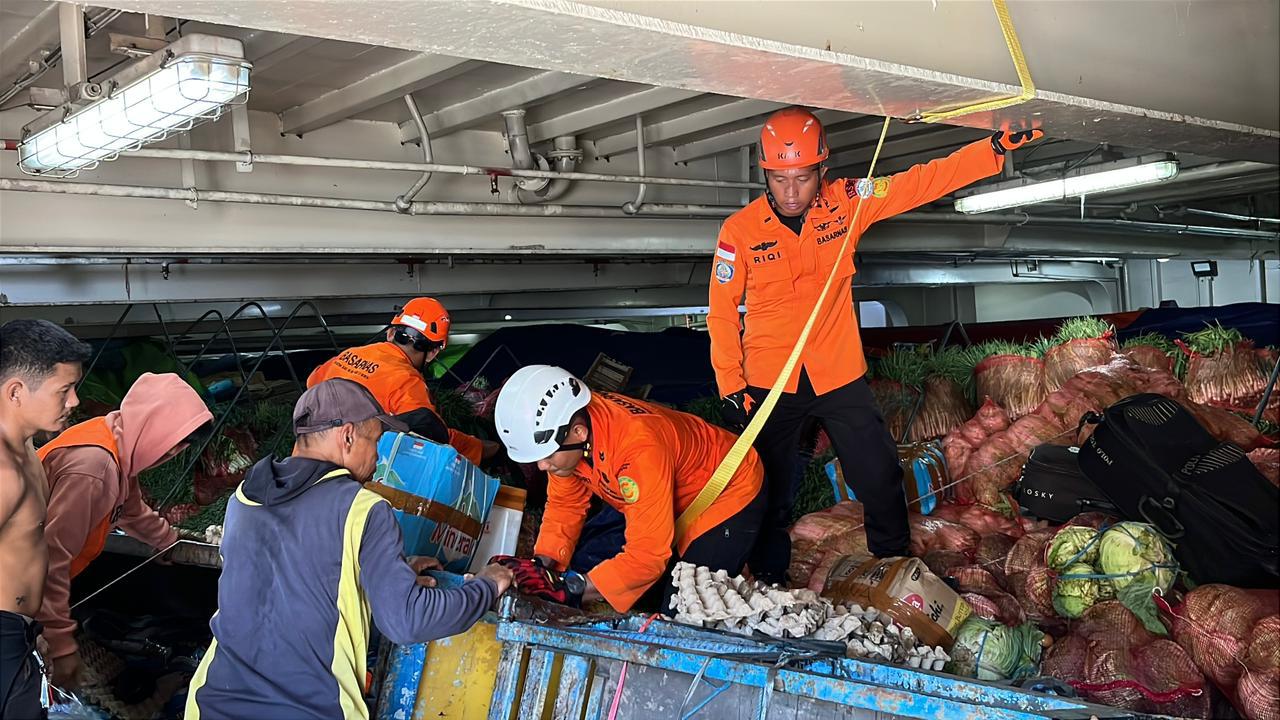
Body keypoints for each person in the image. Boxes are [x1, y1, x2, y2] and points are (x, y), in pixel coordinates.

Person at [707, 107, 1042, 583]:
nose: (791, 191)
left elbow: (920, 182)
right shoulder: (739, 232)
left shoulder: (846, 202)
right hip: (770, 381)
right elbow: (721, 314)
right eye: (779, 179)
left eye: (801, 178)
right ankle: (768, 580)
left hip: (838, 372)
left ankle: (894, 565)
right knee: (769, 488)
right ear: (765, 173)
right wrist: (729, 385)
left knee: (879, 475)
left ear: (822, 170)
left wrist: (991, 151)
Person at [186, 378, 512, 719]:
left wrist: (385, 570)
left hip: (211, 703)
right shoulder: (363, 508)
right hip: (310, 710)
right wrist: (487, 585)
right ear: (348, 437)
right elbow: (407, 620)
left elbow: (289, 575)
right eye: (376, 443)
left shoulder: (244, 498)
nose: (378, 459)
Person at [493, 365, 765, 613]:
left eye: (547, 456)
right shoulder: (567, 437)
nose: (542, 466)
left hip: (726, 486)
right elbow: (565, 505)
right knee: (643, 593)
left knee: (685, 605)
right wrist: (541, 566)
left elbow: (647, 555)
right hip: (670, 488)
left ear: (579, 432)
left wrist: (572, 588)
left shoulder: (637, 448)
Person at [37, 372, 214, 689]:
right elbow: (50, 559)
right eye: (169, 446)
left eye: (177, 451)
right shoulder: (95, 469)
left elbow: (131, 510)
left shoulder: (117, 445)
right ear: (150, 426)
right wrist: (57, 638)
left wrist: (168, 541)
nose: (167, 457)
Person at [0, 319, 91, 719]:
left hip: (17, 633)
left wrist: (31, 628)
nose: (74, 401)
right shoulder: (3, 472)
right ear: (16, 392)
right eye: (64, 390)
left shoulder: (28, 449)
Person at [307, 297, 499, 466]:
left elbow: (311, 383)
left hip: (310, 456)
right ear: (432, 353)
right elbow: (433, 436)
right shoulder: (408, 381)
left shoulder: (348, 355)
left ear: (390, 333)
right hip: (353, 474)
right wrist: (478, 447)